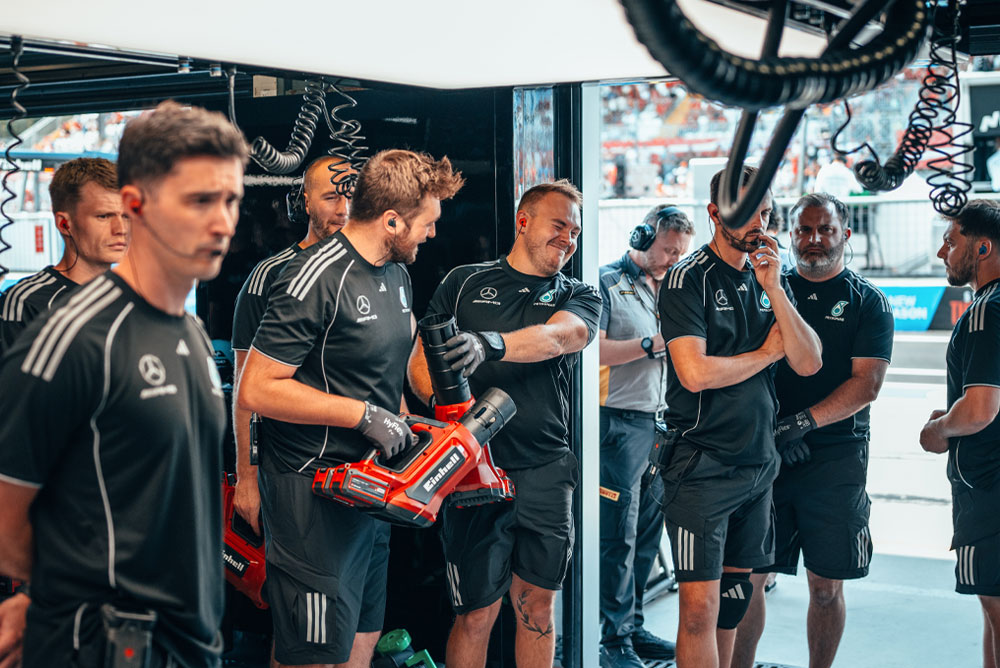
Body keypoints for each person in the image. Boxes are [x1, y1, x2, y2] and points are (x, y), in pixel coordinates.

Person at [0, 100, 249, 667]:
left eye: (230, 200)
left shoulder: (189, 332)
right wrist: (66, 601)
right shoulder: (75, 338)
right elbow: (7, 527)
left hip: (191, 642)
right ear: (137, 206)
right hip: (107, 649)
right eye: (199, 201)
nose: (223, 222)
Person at [237, 149, 464, 668]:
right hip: (310, 491)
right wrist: (364, 416)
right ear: (392, 221)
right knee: (314, 654)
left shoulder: (397, 274)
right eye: (427, 222)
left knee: (362, 636)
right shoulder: (313, 278)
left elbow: (391, 374)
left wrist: (421, 423)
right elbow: (257, 388)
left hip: (370, 487)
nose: (432, 233)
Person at [407, 180, 602, 668]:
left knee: (537, 608)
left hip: (545, 471)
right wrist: (446, 413)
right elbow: (420, 361)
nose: (569, 239)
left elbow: (560, 337)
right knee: (475, 615)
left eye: (575, 232)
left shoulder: (579, 294)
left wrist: (488, 344)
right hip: (470, 470)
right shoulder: (464, 282)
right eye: (559, 225)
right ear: (523, 221)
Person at [657, 166, 822, 668]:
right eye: (749, 214)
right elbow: (694, 373)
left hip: (757, 465)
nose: (760, 225)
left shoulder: (769, 277)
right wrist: (767, 353)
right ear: (715, 213)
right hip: (701, 467)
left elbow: (809, 361)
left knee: (733, 604)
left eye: (767, 214)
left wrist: (775, 288)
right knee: (699, 611)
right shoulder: (688, 278)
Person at [731, 193, 893, 668]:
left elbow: (866, 385)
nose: (814, 239)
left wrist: (801, 424)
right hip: (766, 455)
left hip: (836, 460)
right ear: (791, 233)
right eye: (804, 229)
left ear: (845, 233)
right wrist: (773, 432)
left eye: (826, 229)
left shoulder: (869, 302)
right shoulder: (767, 289)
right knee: (750, 577)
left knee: (825, 587)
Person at [230, 155, 354, 535]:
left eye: (352, 197)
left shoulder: (374, 272)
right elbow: (245, 388)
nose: (344, 210)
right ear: (305, 203)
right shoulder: (270, 276)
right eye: (331, 197)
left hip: (365, 472)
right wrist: (247, 478)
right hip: (297, 470)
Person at [597, 204, 694, 667]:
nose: (674, 260)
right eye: (669, 250)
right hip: (617, 424)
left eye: (681, 253)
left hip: (661, 424)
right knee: (618, 536)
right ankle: (611, 640)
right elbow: (593, 350)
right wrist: (650, 344)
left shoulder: (674, 287)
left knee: (648, 532)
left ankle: (632, 627)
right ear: (642, 237)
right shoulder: (604, 283)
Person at [920, 199, 1000, 668]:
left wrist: (939, 428)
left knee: (996, 608)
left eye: (950, 242)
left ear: (982, 248)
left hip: (988, 488)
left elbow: (979, 409)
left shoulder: (987, 311)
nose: (941, 252)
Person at [0, 156, 128, 353]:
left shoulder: (137, 297)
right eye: (103, 216)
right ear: (64, 224)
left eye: (126, 216)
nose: (121, 229)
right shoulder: (26, 302)